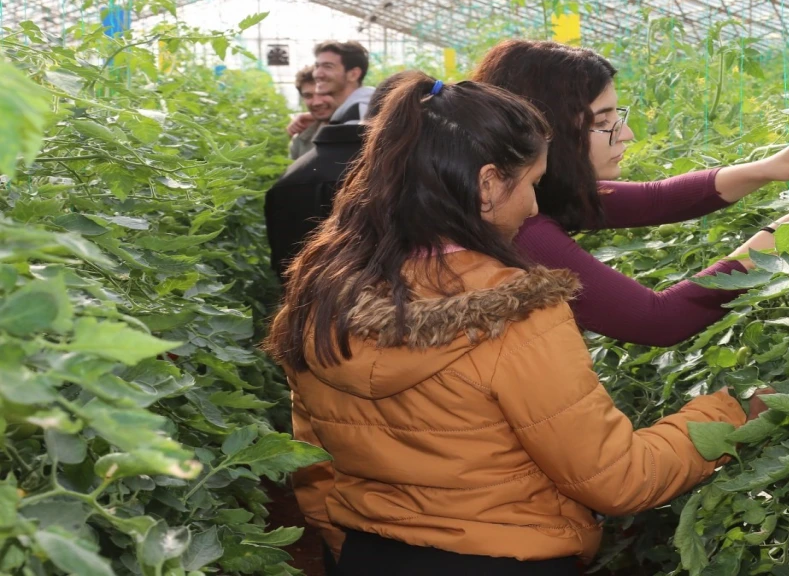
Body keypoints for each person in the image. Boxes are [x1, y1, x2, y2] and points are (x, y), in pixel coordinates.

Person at [263, 72, 755, 575]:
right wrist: (731, 413)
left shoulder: (323, 293)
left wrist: (352, 551)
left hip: (371, 556)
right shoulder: (516, 310)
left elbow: (314, 461)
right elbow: (618, 478)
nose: (536, 206)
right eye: (533, 183)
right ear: (488, 183)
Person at [471, 39, 789, 347]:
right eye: (603, 122)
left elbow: (654, 198)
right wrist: (773, 245)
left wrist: (765, 169)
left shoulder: (515, 190)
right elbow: (658, 320)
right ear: (546, 131)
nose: (627, 134)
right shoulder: (517, 227)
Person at [265, 73, 407, 284]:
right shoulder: (397, 173)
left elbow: (285, 269)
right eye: (309, 96)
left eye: (326, 93)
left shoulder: (289, 181)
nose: (317, 101)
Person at [286, 41, 375, 140]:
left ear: (353, 74)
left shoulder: (358, 114)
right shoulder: (352, 110)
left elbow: (346, 153)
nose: (317, 74)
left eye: (328, 66)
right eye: (317, 66)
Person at [288, 66, 334, 160]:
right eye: (308, 96)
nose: (316, 102)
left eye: (323, 93)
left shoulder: (358, 125)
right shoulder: (301, 138)